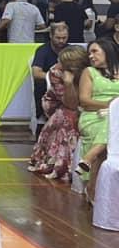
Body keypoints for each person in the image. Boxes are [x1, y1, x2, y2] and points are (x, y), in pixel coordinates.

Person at [28, 46, 88, 180]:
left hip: (81, 103)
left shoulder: (89, 72)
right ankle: (63, 163)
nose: (58, 64)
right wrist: (68, 83)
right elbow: (70, 104)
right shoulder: (56, 72)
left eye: (62, 63)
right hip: (56, 103)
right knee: (67, 116)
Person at [74, 39, 119, 187]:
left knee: (114, 122)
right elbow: (84, 101)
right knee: (112, 125)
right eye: (89, 53)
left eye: (95, 51)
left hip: (115, 115)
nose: (91, 56)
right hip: (93, 115)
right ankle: (93, 183)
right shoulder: (89, 72)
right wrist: (111, 105)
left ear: (107, 51)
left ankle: (89, 158)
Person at [31, 22, 70, 131]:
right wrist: (56, 77)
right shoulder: (43, 50)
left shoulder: (70, 50)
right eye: (58, 38)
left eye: (64, 38)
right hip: (47, 88)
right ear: (50, 35)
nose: (61, 41)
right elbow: (36, 73)